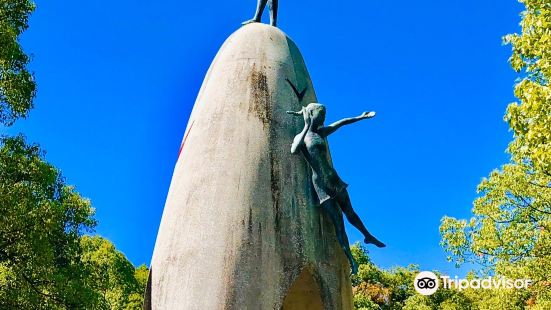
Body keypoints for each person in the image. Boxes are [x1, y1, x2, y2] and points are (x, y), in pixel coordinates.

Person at [287, 103, 385, 274]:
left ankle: (367, 236)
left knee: (350, 212)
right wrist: (306, 125)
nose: (324, 118)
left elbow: (341, 123)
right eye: (321, 114)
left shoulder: (320, 133)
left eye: (324, 114)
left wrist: (360, 117)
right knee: (339, 225)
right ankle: (352, 260)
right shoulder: (302, 137)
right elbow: (294, 150)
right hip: (321, 186)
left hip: (334, 179)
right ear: (310, 114)